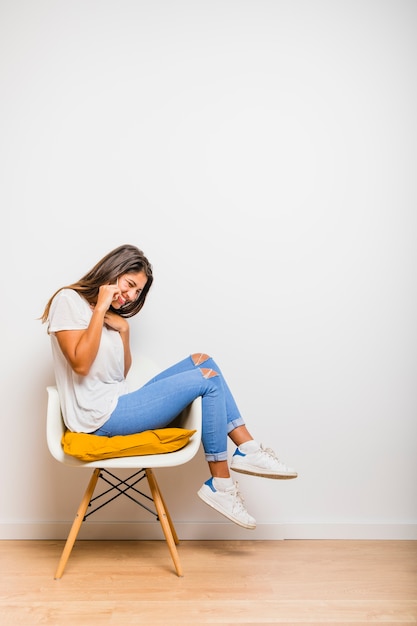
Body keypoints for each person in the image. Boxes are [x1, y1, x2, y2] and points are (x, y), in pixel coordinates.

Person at [41, 244, 297, 530]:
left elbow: (119, 375)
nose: (130, 297)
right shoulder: (69, 301)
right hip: (98, 417)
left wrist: (124, 331)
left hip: (119, 402)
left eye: (137, 292)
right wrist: (100, 308)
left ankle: (248, 448)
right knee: (207, 378)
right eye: (129, 285)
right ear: (112, 272)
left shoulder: (114, 318)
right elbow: (80, 365)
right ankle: (222, 484)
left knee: (202, 361)